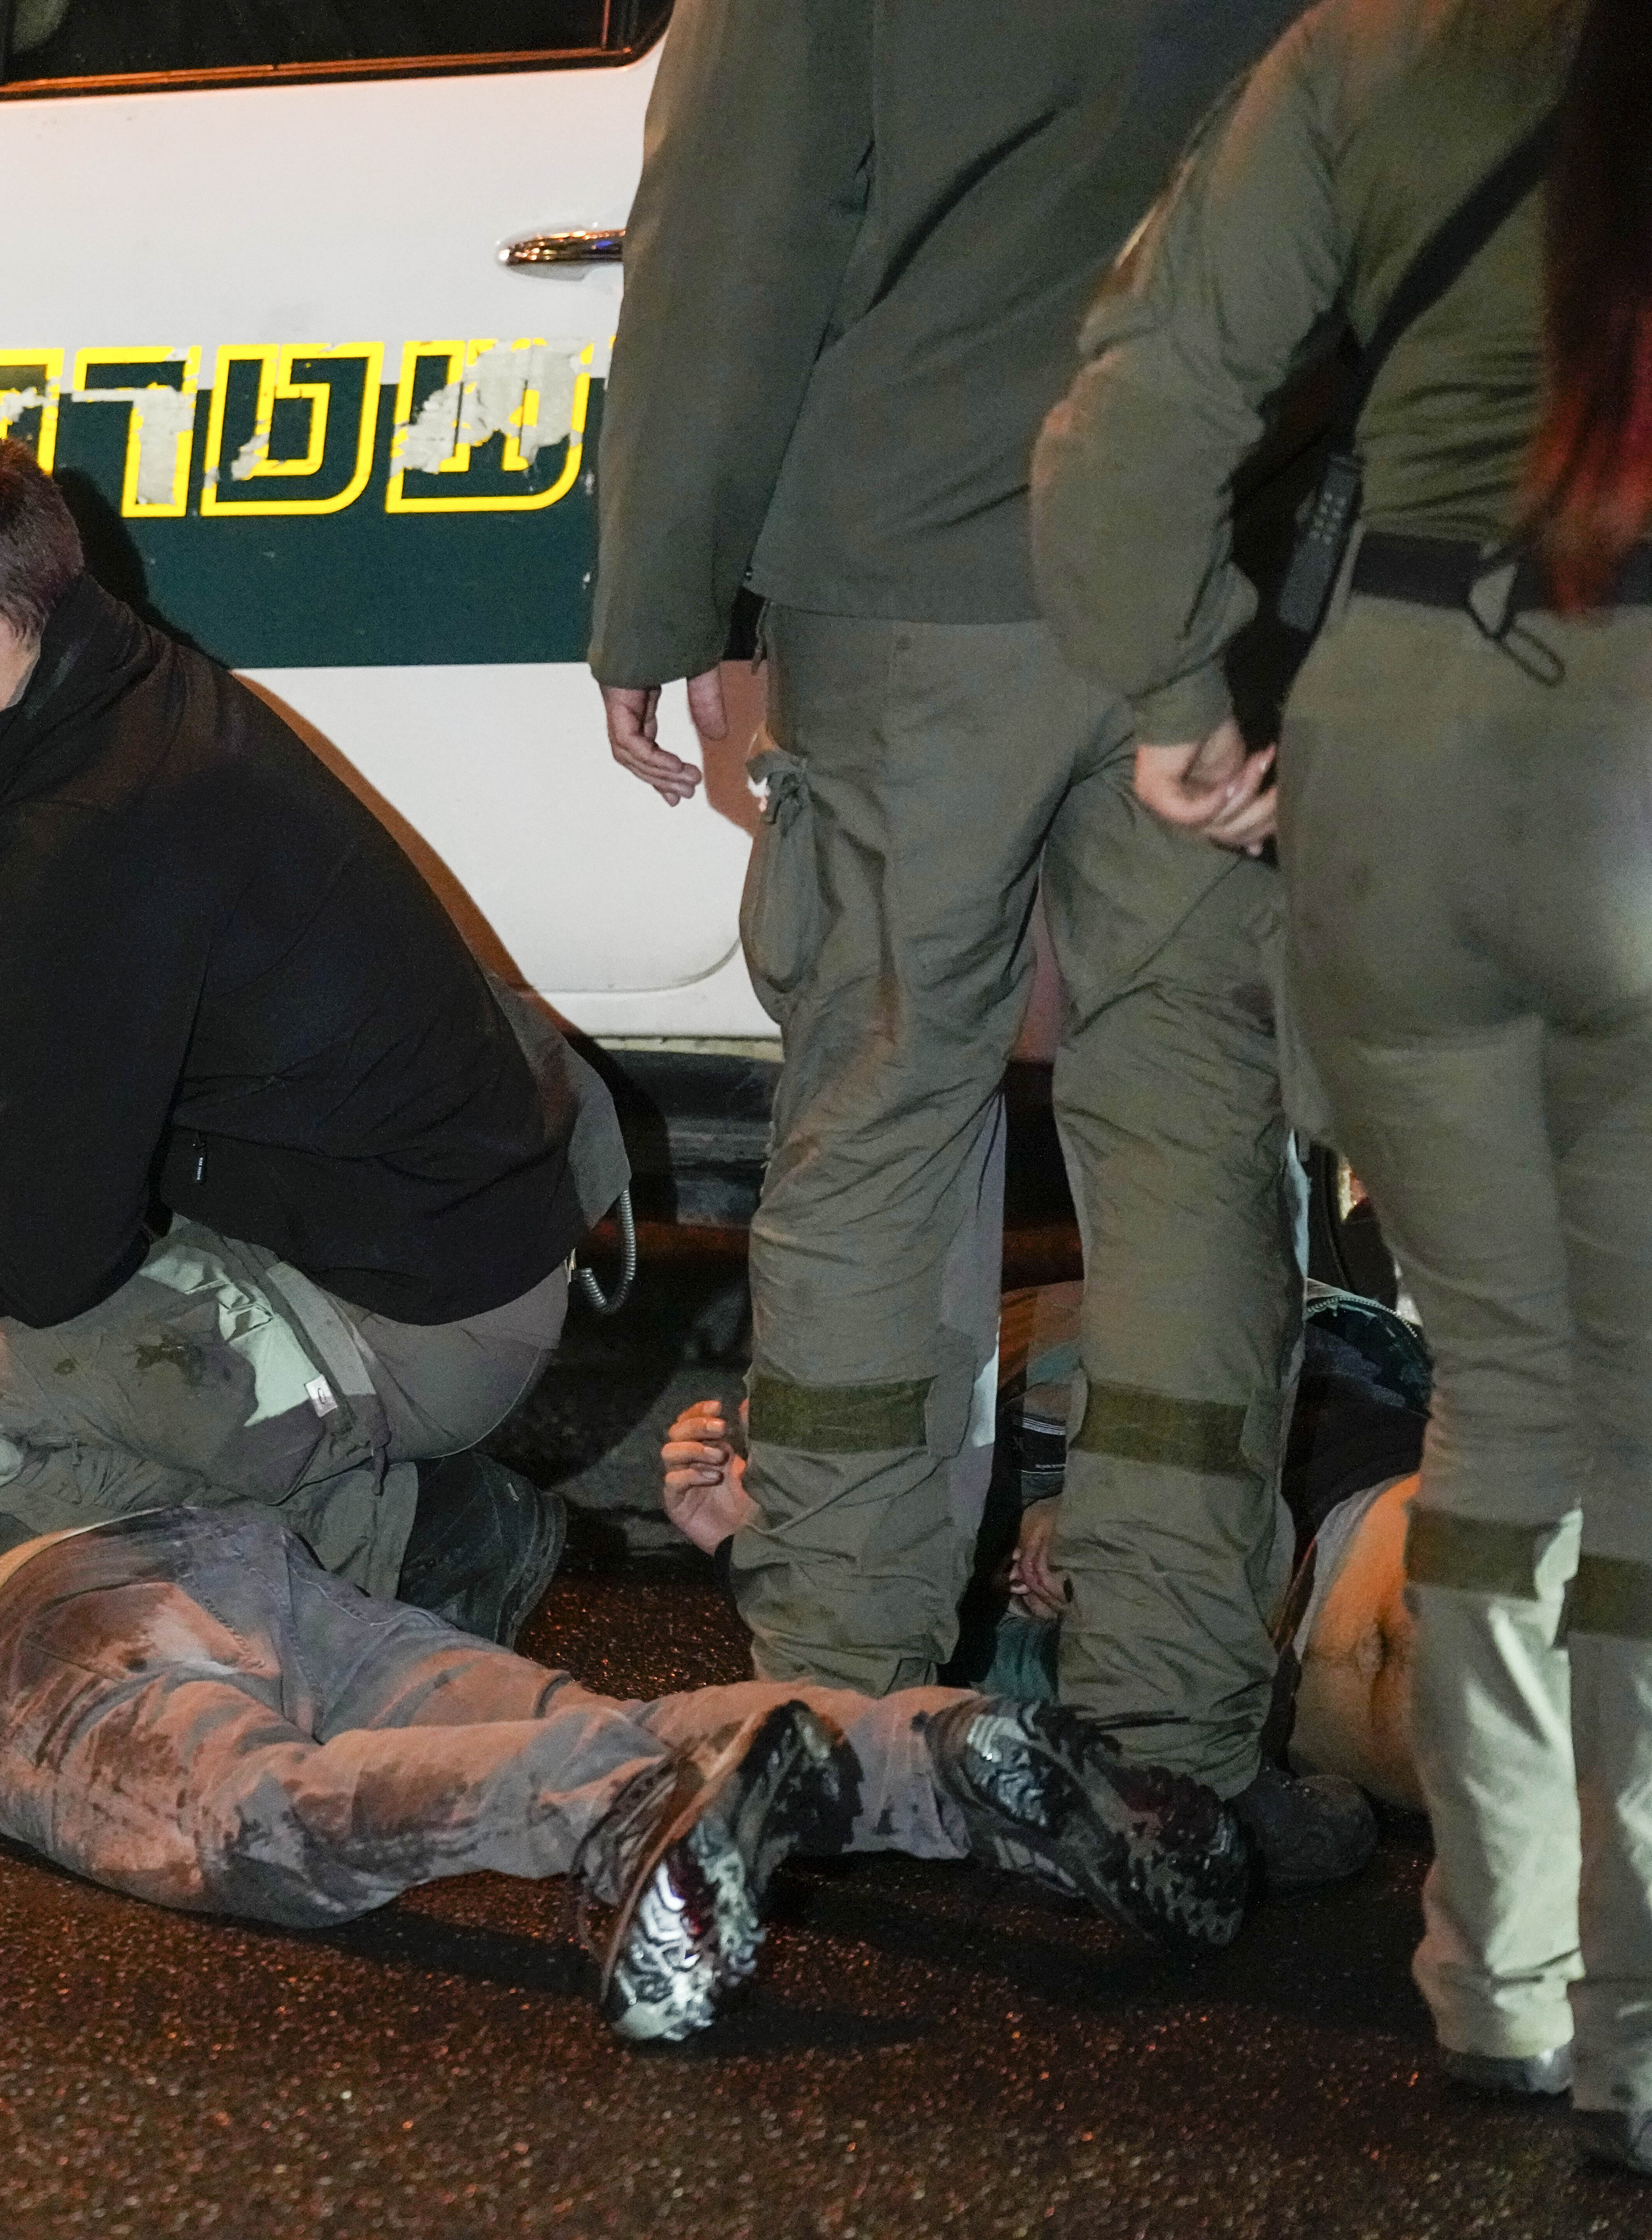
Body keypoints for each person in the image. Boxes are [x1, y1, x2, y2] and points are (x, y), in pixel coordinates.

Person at [584, 0, 1369, 1889]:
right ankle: (1171, 1748)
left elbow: (738, 230)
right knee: (1193, 1143)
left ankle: (840, 1718)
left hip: (918, 570)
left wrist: (660, 588)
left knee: (879, 1122)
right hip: (1223, 575)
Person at [1028, 0, 1652, 2168]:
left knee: (1506, 1389)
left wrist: (1181, 686)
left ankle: (1511, 1980)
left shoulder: (1366, 47)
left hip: (1391, 739)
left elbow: (1133, 413)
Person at [0, 1437, 1252, 2049]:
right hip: (198, 1553)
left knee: (255, 1819)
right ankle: (944, 1750)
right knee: (577, 1709)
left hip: (36, 1652)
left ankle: (627, 1829)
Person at [0, 431, 624, 1645]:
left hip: (421, 1315)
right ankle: (182, 1453)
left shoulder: (94, 831)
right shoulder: (101, 689)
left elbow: (46, 1263)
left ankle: (395, 1544)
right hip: (356, 1203)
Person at [664, 1282, 1434, 1814]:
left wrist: (1126, 1496)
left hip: (1359, 1518)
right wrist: (756, 1553)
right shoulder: (969, 1597)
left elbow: (1276, 1374)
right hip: (1289, 1709)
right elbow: (943, 1706)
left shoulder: (1036, 1381)